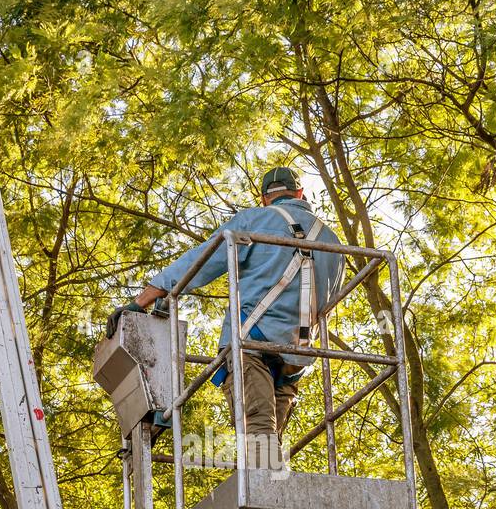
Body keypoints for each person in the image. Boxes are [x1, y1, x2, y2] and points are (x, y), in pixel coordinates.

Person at [106, 167, 343, 467]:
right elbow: (330, 300)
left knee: (258, 430)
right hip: (299, 354)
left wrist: (141, 302)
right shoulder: (334, 243)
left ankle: (264, 497)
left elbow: (200, 263)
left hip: (251, 344)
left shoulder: (255, 220)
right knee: (269, 439)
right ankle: (272, 489)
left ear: (265, 198)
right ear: (300, 195)